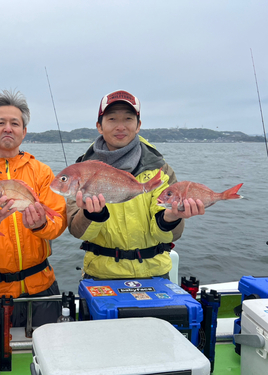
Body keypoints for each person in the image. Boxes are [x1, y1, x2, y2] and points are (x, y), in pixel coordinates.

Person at [67, 90, 205, 280]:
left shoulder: (160, 170)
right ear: (99, 126)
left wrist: (171, 218)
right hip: (101, 274)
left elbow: (171, 236)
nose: (121, 126)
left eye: (128, 119)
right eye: (112, 119)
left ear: (138, 125)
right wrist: (92, 214)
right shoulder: (81, 171)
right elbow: (76, 231)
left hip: (155, 273)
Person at [0, 90, 67, 327]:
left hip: (42, 289)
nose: (8, 128)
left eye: (15, 123)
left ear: (24, 131)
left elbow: (58, 223)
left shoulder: (42, 172)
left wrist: (41, 224)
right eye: (0, 123)